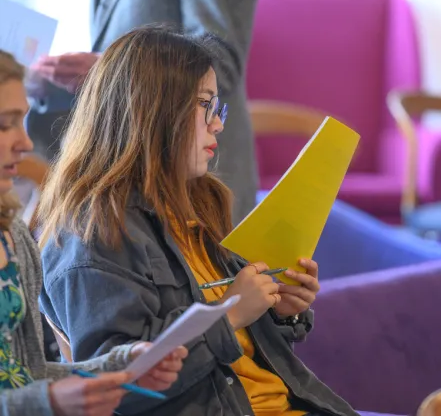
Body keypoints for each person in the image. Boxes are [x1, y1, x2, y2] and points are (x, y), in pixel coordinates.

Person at [37, 26, 358, 416]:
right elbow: (118, 388)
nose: (218, 124)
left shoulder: (199, 200)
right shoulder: (94, 228)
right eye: (205, 104)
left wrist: (277, 310)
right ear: (153, 109)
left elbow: (242, 351)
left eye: (217, 107)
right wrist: (231, 312)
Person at [0, 49, 188, 416]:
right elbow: (35, 394)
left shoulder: (14, 235)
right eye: (5, 124)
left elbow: (29, 374)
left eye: (21, 122)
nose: (23, 143)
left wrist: (121, 366)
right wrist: (47, 403)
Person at [28, 0, 260, 225]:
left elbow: (221, 59)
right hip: (129, 182)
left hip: (195, 183)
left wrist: (111, 70)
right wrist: (51, 83)